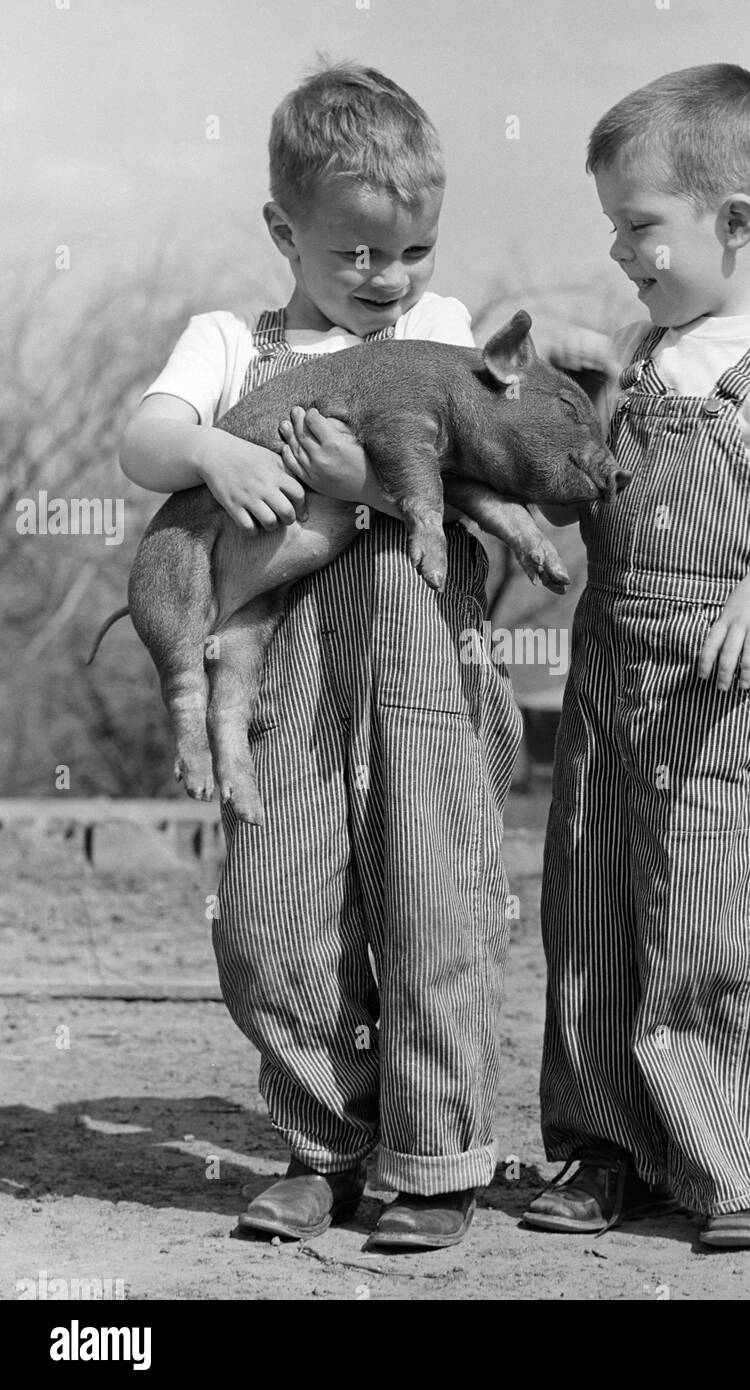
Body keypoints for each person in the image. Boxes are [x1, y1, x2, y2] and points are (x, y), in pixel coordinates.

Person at [120, 60, 524, 1251]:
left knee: (434, 907)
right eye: (352, 254)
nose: (384, 281)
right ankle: (321, 1147)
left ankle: (439, 1159)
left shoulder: (443, 334)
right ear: (281, 229)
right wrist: (212, 454)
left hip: (419, 669)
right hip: (280, 679)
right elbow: (145, 443)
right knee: (269, 913)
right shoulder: (227, 342)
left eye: (410, 252)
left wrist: (372, 482)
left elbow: (492, 467)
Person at [522, 63, 750, 1248]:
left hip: (716, 697)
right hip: (604, 678)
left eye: (640, 226)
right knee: (587, 913)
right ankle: (596, 1150)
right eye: (613, 227)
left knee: (706, 920)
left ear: (733, 223)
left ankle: (728, 1163)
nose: (622, 251)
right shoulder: (639, 351)